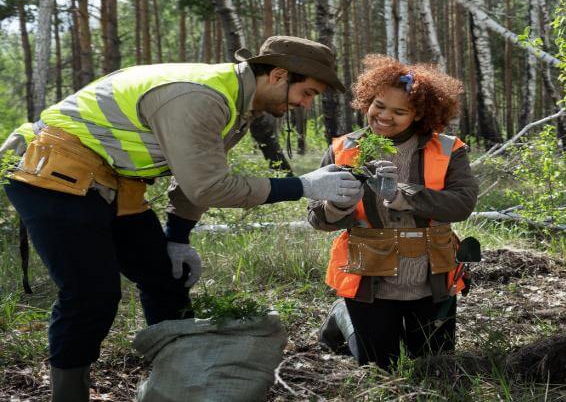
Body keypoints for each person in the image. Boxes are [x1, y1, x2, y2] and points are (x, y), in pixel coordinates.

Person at [0, 36, 363, 402]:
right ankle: (69, 395)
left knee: (166, 277)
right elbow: (209, 187)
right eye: (308, 92)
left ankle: (177, 383)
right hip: (53, 176)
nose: (306, 104)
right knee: (91, 294)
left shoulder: (236, 102)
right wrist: (302, 185)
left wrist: (177, 238)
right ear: (279, 75)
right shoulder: (200, 97)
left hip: (113, 184)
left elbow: (194, 178)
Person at [307, 55, 478, 369]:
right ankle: (344, 317)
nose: (384, 117)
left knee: (434, 365)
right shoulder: (344, 149)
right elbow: (317, 218)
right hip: (368, 276)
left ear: (420, 115)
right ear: (367, 99)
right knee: (378, 367)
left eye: (399, 111)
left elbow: (462, 204)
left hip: (434, 277)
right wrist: (338, 204)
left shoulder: (448, 149)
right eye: (379, 105)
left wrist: (405, 196)